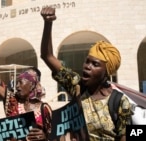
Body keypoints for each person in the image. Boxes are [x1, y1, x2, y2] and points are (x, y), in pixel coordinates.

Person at [40, 7, 133, 141]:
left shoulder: (119, 101)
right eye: (87, 62)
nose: (87, 67)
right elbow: (47, 56)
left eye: (95, 64)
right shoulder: (78, 87)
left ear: (107, 72)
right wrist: (48, 23)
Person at [0, 46, 52, 141]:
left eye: (21, 82)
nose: (17, 86)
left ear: (31, 85)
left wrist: (44, 137)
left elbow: (54, 135)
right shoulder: (12, 100)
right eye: (16, 82)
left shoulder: (44, 109)